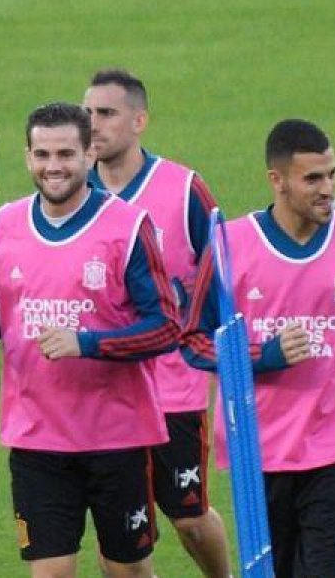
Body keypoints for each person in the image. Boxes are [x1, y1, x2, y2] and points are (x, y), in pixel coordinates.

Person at [0, 102, 182, 578]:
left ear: (89, 155)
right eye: (42, 154)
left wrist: (88, 344)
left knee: (126, 570)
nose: (53, 166)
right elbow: (3, 313)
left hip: (116, 437)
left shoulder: (128, 227)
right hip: (37, 436)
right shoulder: (6, 226)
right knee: (52, 571)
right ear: (27, 157)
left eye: (65, 153)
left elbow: (165, 326)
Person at [180, 119, 335, 578]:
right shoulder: (230, 244)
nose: (328, 189)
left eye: (332, 175)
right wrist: (264, 356)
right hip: (258, 452)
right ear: (277, 180)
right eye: (313, 179)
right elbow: (194, 341)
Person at [82, 70, 232, 577]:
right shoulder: (74, 193)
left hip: (174, 387)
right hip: (105, 390)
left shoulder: (185, 190)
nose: (93, 124)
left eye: (107, 114)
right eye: (88, 114)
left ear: (139, 120)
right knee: (119, 534)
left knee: (188, 517)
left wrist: (204, 342)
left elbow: (226, 274)